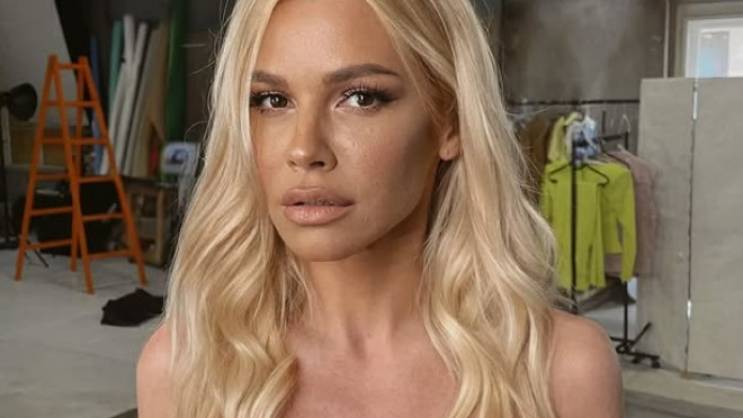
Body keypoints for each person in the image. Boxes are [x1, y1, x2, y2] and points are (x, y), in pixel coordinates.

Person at [136, 0, 623, 417]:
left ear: (451, 121)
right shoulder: (184, 368)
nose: (304, 149)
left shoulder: (562, 371)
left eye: (360, 98)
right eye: (272, 100)